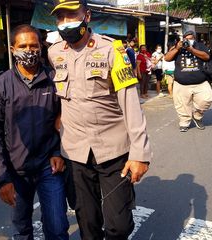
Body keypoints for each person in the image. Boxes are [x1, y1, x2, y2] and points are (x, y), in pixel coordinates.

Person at [48, 0, 151, 239]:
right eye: (61, 17)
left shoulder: (111, 50)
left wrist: (140, 154)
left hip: (112, 150)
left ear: (87, 16)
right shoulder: (54, 53)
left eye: (72, 15)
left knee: (119, 225)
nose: (66, 23)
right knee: (87, 221)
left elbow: (131, 104)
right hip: (75, 153)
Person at [0, 24, 69, 240]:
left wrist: (59, 152)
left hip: (48, 167)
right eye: (23, 45)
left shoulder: (54, 80)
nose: (29, 50)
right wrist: (2, 178)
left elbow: (68, 120)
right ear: (12, 49)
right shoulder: (1, 86)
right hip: (16, 171)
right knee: (22, 231)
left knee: (58, 227)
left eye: (34, 45)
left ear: (41, 47)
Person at [164, 30, 212, 132]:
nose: (188, 40)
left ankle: (197, 116)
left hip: (200, 82)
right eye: (186, 39)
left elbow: (207, 57)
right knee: (182, 105)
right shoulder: (177, 47)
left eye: (190, 39)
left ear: (194, 38)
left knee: (206, 99)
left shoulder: (200, 46)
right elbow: (167, 58)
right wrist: (177, 48)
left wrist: (191, 49)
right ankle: (184, 122)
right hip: (181, 83)